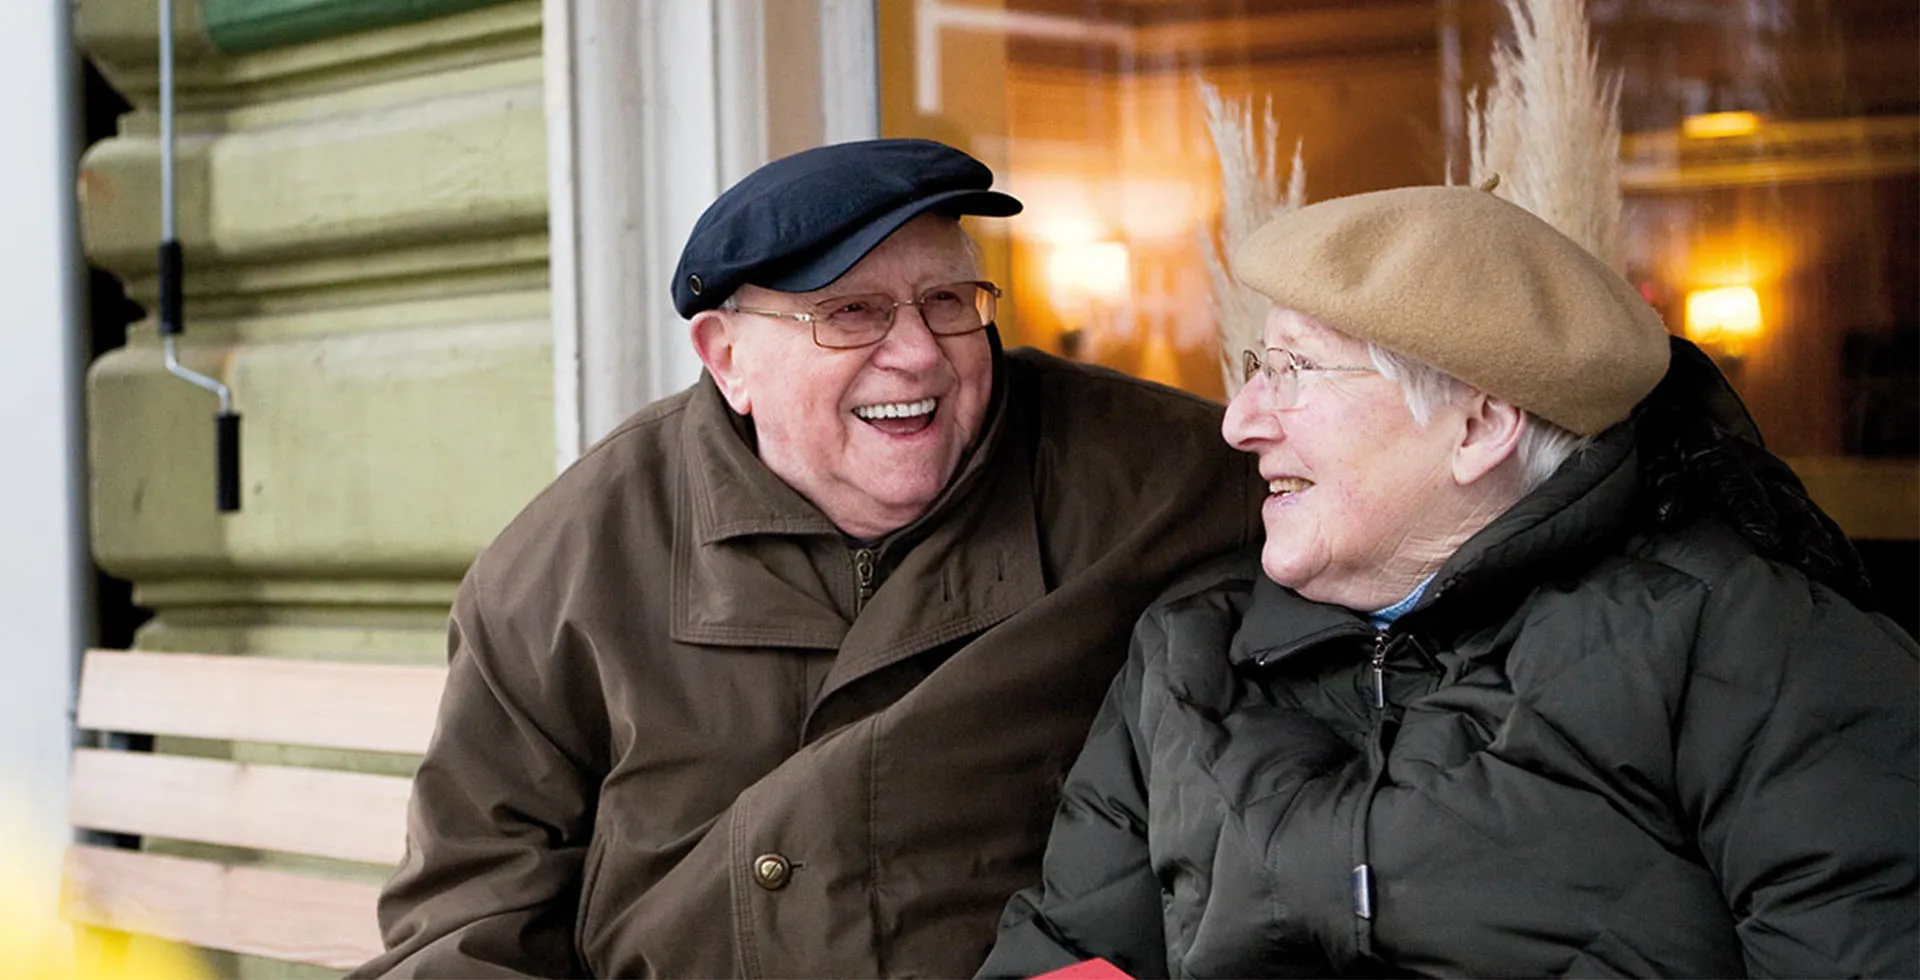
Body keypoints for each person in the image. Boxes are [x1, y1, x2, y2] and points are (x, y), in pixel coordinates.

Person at [350, 138, 1261, 978]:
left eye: (947, 303)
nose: (918, 355)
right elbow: (465, 920)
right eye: (850, 314)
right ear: (726, 356)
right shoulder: (569, 563)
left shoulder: (1152, 476)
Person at [978, 185, 1919, 979]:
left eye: (1297, 373)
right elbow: (1067, 957)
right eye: (1258, 368)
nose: (1242, 421)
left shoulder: (1753, 646)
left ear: (1479, 427)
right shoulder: (1188, 653)